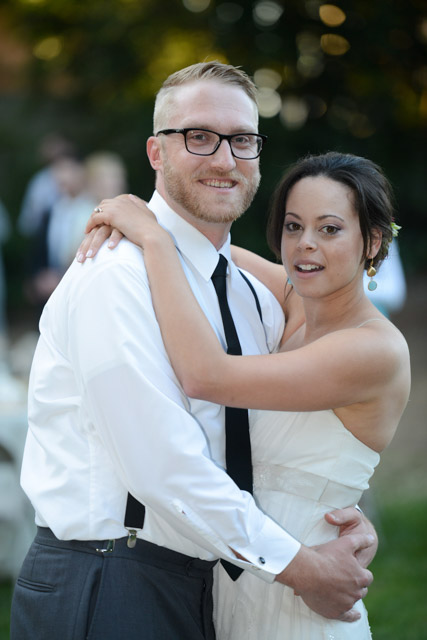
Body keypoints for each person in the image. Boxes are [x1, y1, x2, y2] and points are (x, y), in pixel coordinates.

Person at [11, 63, 376, 640]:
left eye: (243, 140)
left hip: (217, 584)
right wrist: (302, 567)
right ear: (156, 152)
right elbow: (163, 465)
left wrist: (333, 521)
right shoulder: (114, 276)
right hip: (109, 578)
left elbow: (266, 447)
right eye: (199, 137)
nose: (225, 160)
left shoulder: (254, 297)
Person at [82, 151, 410, 638]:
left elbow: (204, 375)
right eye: (294, 226)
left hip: (310, 586)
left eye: (330, 229)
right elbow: (206, 250)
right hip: (240, 577)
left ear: (373, 240)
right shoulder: (297, 300)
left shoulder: (373, 349)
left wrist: (151, 237)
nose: (305, 246)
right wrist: (135, 219)